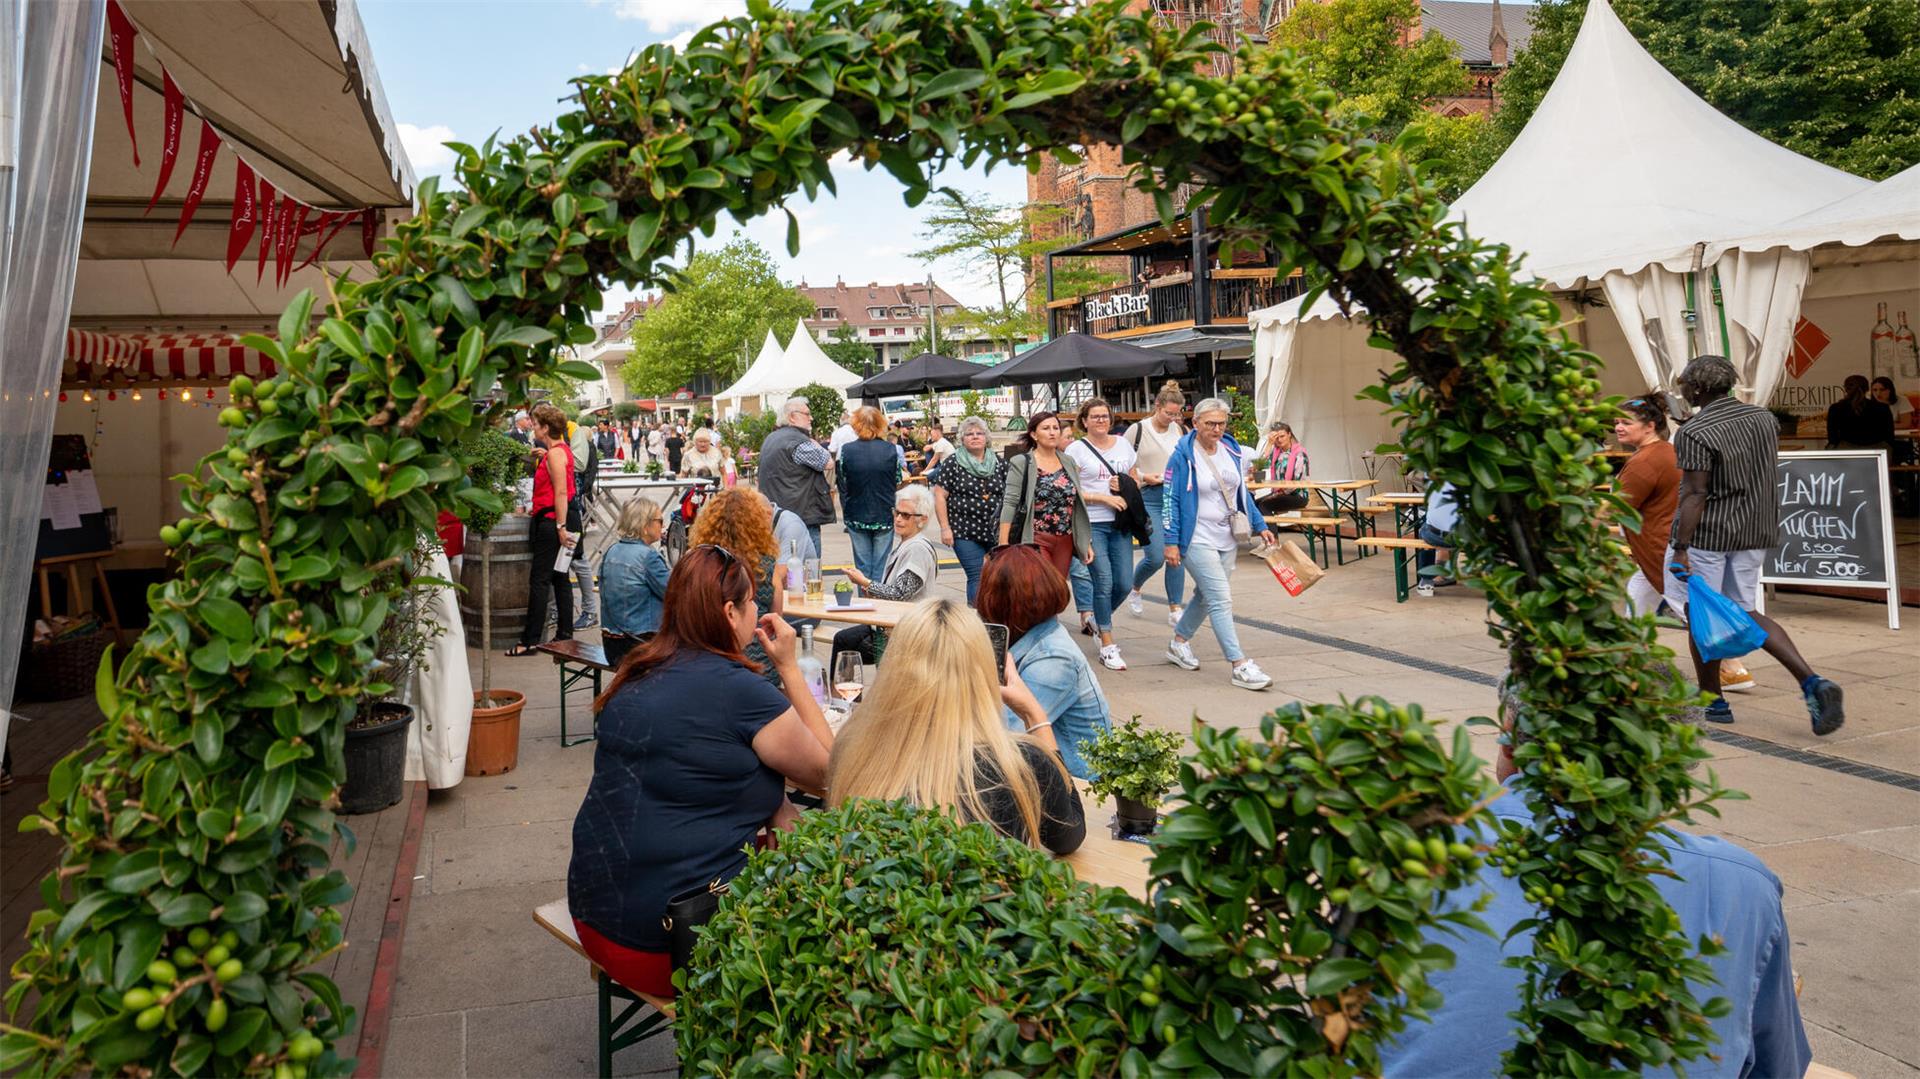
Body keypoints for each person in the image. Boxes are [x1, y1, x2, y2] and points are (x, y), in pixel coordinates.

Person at [1380, 685, 1812, 1079]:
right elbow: (1777, 1069)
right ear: (1668, 766)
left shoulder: (1402, 845)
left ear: (1509, 736)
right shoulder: (1742, 886)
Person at [567, 545, 833, 999]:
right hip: (668, 945)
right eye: (753, 601)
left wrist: (773, 803)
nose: (759, 609)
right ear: (731, 613)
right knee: (820, 879)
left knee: (779, 812)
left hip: (594, 919)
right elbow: (828, 772)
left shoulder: (636, 671)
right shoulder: (741, 691)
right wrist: (789, 666)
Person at [1665, 354, 1843, 734]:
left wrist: (1680, 545)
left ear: (1698, 388)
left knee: (1703, 614)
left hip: (1710, 534)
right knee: (1744, 608)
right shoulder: (1763, 418)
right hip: (1756, 529)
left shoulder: (1695, 431)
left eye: (1684, 384)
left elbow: (1695, 494)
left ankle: (1712, 698)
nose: (1681, 389)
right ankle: (1811, 680)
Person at [827, 597, 1085, 854]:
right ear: (983, 670)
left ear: (894, 666)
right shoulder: (1018, 764)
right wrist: (1033, 713)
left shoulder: (853, 746)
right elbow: (1069, 835)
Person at [1160, 397, 1276, 691]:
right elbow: (1170, 499)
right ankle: (1239, 664)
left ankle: (1178, 643)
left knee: (1206, 595)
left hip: (1228, 537)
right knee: (1221, 598)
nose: (1216, 428)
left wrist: (1260, 525)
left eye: (1221, 423)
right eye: (1210, 423)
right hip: (1195, 537)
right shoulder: (1182, 456)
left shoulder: (1231, 449)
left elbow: (1242, 493)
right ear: (1195, 423)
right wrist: (1171, 541)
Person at [975, 544, 1113, 780]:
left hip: (1076, 785)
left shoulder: (1054, 659)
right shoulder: (1020, 637)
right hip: (1038, 770)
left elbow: (1002, 739)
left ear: (998, 601)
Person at [1063, 398, 1139, 672]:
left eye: (1104, 416)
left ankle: (1097, 619)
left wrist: (1127, 483)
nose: (1100, 420)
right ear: (1084, 421)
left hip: (1120, 522)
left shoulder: (1123, 445)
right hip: (1091, 523)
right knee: (1104, 581)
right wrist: (1102, 498)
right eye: (1094, 417)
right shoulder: (1076, 449)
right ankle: (1107, 643)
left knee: (1124, 583)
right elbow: (1068, 490)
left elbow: (1135, 479)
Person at [831, 484, 939, 669]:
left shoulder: (918, 548)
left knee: (845, 647)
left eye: (905, 515)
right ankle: (843, 694)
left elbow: (899, 592)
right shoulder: (909, 543)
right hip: (890, 623)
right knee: (843, 641)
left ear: (922, 519)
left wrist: (864, 582)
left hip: (904, 630)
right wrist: (871, 591)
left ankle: (843, 693)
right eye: (896, 512)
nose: (898, 519)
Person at [688, 487, 787, 685]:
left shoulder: (701, 565)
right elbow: (776, 619)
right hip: (761, 668)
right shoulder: (766, 565)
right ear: (757, 523)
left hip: (709, 666)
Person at [507, 404, 577, 657]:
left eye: (536, 424)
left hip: (552, 521)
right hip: (555, 519)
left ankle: (530, 641)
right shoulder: (557, 451)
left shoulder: (556, 454)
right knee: (560, 577)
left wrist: (560, 526)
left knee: (540, 581)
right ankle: (565, 635)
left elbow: (560, 491)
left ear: (546, 428)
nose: (533, 427)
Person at [999, 411, 1093, 580]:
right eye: (1046, 428)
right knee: (1040, 588)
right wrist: (1003, 544)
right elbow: (1010, 503)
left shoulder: (1069, 461)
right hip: (1035, 538)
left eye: (1056, 428)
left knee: (1056, 593)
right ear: (1034, 434)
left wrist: (1084, 542)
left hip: (1065, 539)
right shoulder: (1022, 462)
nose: (1052, 432)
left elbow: (1076, 503)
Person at [1125, 381, 1188, 626]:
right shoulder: (1137, 430)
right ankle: (1135, 586)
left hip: (1175, 496)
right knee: (1155, 556)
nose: (1172, 418)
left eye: (1176, 414)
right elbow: (1123, 464)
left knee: (1176, 554)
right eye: (1168, 413)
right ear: (1157, 406)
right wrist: (1142, 477)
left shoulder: (1179, 431)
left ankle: (1175, 607)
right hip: (1148, 496)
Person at [933, 416, 1008, 603]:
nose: (975, 437)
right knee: (978, 575)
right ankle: (975, 621)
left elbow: (1009, 495)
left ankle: (994, 619)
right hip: (964, 531)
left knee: (999, 577)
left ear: (986, 437)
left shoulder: (999, 463)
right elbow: (940, 496)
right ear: (962, 439)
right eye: (969, 434)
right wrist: (944, 527)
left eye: (979, 433)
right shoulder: (952, 463)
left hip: (995, 531)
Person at [756, 396, 835, 558]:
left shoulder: (771, 438)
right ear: (792, 417)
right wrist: (814, 442)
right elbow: (828, 462)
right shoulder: (799, 442)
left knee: (783, 566)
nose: (811, 418)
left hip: (777, 514)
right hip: (802, 516)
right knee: (809, 568)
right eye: (807, 414)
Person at [598, 498, 670, 668]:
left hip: (611, 646)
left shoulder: (611, 551)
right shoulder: (648, 557)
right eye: (659, 521)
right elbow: (674, 594)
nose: (663, 524)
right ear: (645, 525)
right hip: (640, 647)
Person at [837, 406, 901, 584]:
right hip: (884, 512)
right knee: (880, 566)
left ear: (856, 425)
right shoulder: (890, 450)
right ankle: (879, 604)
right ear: (880, 424)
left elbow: (843, 478)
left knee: (862, 568)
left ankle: (864, 605)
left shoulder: (847, 450)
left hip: (856, 512)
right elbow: (897, 478)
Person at [569, 419, 601, 630]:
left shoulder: (576, 445)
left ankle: (589, 610)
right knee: (565, 563)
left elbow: (586, 471)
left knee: (578, 560)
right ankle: (559, 610)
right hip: (568, 508)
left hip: (571, 509)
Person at [1249, 421, 1310, 514]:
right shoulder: (1276, 452)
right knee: (1253, 505)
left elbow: (1298, 481)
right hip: (1279, 494)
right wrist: (1269, 444)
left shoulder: (1299, 453)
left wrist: (1280, 493)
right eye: (1276, 438)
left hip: (1298, 495)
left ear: (1289, 434)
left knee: (1264, 506)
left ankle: (1270, 529)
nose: (1279, 440)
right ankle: (1262, 528)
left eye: (1282, 436)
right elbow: (1258, 465)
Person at [1414, 482, 1459, 598]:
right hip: (1467, 537)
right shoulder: (1470, 478)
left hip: (1435, 537)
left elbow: (1412, 475)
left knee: (1425, 529)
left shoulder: (1432, 475)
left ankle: (1426, 581)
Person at [1825, 374, 1895, 450]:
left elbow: (1832, 438)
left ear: (1845, 389)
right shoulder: (1882, 407)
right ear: (1868, 389)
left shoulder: (1835, 408)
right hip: (1877, 450)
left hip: (1846, 450)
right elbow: (1889, 436)